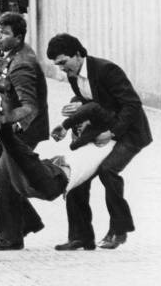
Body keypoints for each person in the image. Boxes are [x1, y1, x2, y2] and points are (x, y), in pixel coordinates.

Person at [46, 33, 152, 251]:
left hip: (129, 132)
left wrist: (112, 133)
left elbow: (132, 104)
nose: (62, 69)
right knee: (76, 171)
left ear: (78, 54)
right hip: (102, 129)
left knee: (108, 171)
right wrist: (77, 104)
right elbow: (90, 99)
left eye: (64, 63)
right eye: (58, 65)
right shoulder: (73, 75)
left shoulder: (106, 70)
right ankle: (80, 236)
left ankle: (119, 230)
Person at [0, 12, 49, 250]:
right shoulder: (12, 54)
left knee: (6, 177)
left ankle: (11, 237)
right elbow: (8, 85)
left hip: (24, 130)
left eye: (5, 33)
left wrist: (3, 119)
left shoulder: (22, 64)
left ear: (18, 37)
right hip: (10, 129)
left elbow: (30, 106)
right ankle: (27, 221)